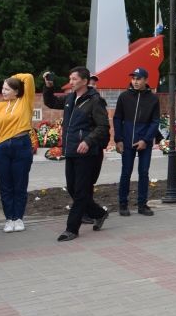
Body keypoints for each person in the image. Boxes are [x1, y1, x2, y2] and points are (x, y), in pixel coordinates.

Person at [43, 68, 111, 242]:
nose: (71, 82)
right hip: (71, 151)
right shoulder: (70, 98)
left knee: (80, 192)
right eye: (70, 78)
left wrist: (88, 141)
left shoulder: (96, 101)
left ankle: (71, 229)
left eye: (74, 79)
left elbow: (103, 127)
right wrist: (49, 86)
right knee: (73, 188)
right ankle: (99, 213)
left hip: (87, 153)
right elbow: (50, 102)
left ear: (84, 81)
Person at [0, 73, 36, 233]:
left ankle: (19, 218)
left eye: (7, 88)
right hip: (2, 148)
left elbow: (28, 78)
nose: (3, 91)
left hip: (21, 145)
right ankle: (9, 218)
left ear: (17, 91)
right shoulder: (0, 106)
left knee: (20, 184)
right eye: (2, 88)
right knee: (5, 185)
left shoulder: (25, 101)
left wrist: (12, 77)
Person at [112, 68, 160, 216]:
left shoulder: (153, 99)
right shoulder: (124, 97)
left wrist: (145, 140)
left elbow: (155, 121)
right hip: (127, 141)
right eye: (133, 78)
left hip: (144, 142)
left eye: (139, 79)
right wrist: (118, 139)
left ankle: (142, 205)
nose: (135, 81)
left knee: (143, 172)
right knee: (126, 172)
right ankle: (123, 204)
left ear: (146, 80)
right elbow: (117, 118)